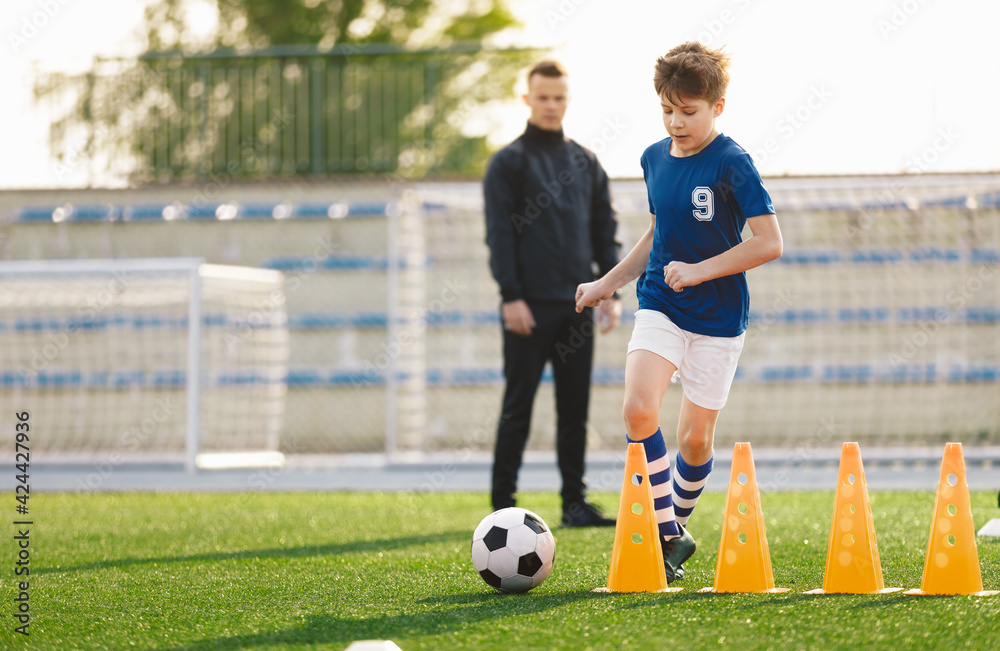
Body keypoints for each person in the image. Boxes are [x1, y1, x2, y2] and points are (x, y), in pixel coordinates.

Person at [575, 42, 783, 579]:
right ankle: (669, 534)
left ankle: (672, 535)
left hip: (717, 318)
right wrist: (608, 282)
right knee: (638, 410)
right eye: (667, 109)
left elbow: (768, 242)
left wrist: (700, 269)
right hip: (660, 304)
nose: (676, 121)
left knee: (695, 440)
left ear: (717, 106)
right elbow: (656, 235)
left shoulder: (734, 162)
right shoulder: (652, 159)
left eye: (688, 111)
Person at [483, 60, 622, 527]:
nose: (550, 105)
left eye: (559, 97)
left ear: (568, 100)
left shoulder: (585, 162)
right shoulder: (508, 163)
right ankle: (502, 504)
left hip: (578, 306)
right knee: (517, 406)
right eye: (542, 97)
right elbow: (500, 235)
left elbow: (606, 231)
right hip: (528, 307)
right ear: (527, 99)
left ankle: (574, 504)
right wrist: (511, 295)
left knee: (574, 409)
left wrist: (612, 291)